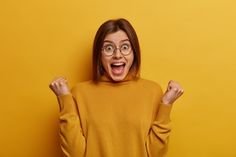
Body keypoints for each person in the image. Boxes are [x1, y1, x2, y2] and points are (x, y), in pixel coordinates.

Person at [49, 18, 184, 157]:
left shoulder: (152, 91)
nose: (117, 55)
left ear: (134, 52)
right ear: (99, 54)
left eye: (125, 47)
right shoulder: (79, 93)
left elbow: (156, 154)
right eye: (108, 48)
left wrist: (166, 104)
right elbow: (74, 154)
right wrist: (64, 99)